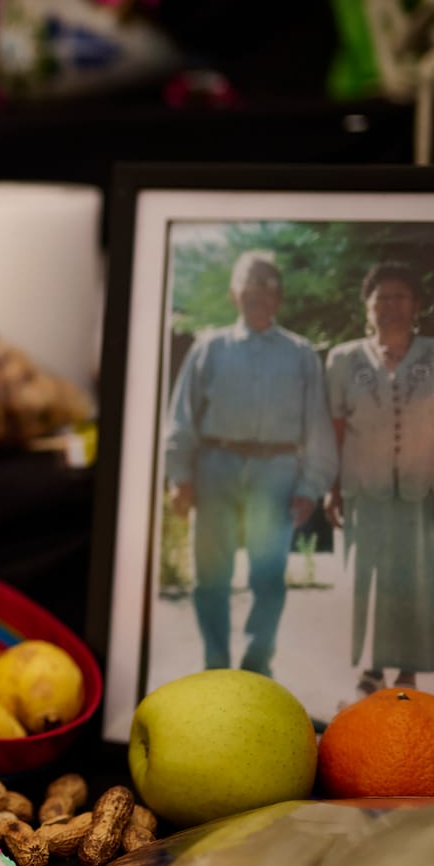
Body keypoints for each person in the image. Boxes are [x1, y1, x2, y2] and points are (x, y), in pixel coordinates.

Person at [164, 250, 338, 676]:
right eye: (249, 281)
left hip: (275, 470)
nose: (258, 290)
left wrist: (310, 486)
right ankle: (215, 665)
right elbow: (182, 416)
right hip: (215, 466)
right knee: (211, 575)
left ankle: (257, 665)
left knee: (268, 575)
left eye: (267, 283)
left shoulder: (300, 354)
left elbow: (318, 425)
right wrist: (179, 475)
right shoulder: (209, 348)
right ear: (233, 292)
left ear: (279, 296)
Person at [324, 261, 434, 698]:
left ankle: (408, 673)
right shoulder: (343, 359)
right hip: (362, 489)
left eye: (400, 297)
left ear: (416, 306)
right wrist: (331, 487)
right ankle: (371, 670)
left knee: (416, 580)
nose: (390, 306)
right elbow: (334, 428)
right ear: (367, 307)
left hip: (422, 490)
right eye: (381, 299)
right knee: (366, 578)